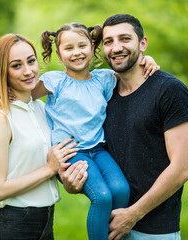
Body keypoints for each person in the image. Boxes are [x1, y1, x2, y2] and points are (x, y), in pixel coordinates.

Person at [59, 14, 188, 240]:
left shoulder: (169, 91)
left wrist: (133, 214)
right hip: (112, 227)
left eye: (125, 39)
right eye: (109, 41)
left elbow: (182, 168)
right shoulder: (104, 94)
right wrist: (72, 183)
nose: (116, 47)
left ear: (142, 44)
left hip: (155, 231)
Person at [27, 22, 160, 240]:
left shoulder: (104, 79)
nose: (77, 52)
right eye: (68, 48)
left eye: (82, 46)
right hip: (71, 152)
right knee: (102, 197)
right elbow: (26, 94)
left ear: (92, 48)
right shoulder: (54, 81)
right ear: (59, 55)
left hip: (98, 150)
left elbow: (133, 70)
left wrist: (147, 60)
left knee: (121, 190)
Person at [0, 33, 79, 240]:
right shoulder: (1, 118)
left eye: (31, 61)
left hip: (46, 222)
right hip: (13, 226)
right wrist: (49, 168)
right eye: (16, 66)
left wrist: (66, 178)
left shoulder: (41, 108)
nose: (28, 71)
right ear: (3, 71)